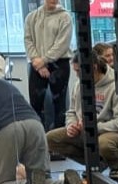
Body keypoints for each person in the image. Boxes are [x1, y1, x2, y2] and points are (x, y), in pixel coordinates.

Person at [45, 50, 118, 176]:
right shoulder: (79, 85)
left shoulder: (115, 85)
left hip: (108, 131)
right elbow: (71, 111)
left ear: (94, 67)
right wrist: (71, 125)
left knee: (104, 144)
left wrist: (94, 127)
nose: (77, 75)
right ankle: (95, 163)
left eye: (78, 71)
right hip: (85, 130)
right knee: (50, 139)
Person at [24, 0, 73, 130]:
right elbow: (28, 40)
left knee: (59, 104)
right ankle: (38, 139)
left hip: (59, 63)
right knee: (35, 105)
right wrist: (38, 63)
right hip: (36, 64)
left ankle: (57, 142)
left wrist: (44, 60)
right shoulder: (31, 17)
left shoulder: (65, 17)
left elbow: (62, 43)